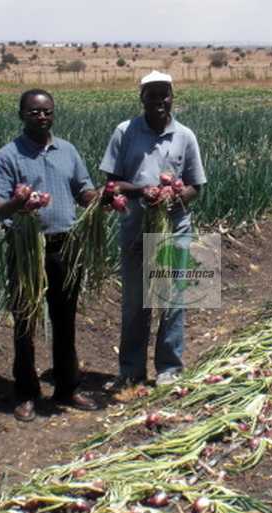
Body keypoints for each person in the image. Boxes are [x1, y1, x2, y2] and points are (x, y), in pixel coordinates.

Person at [0, 88, 99, 422]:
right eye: (34, 112)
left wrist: (101, 198)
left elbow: (83, 189)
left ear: (53, 113)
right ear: (21, 115)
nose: (41, 116)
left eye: (46, 111)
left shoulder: (67, 151)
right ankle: (26, 392)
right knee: (26, 318)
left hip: (65, 245)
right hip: (26, 247)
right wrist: (19, 203)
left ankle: (67, 388)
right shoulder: (9, 155)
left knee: (65, 319)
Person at [99, 70, 207, 391]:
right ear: (141, 98)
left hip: (175, 229)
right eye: (152, 95)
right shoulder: (125, 132)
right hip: (134, 227)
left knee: (173, 300)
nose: (159, 101)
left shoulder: (185, 136)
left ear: (173, 97)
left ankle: (169, 368)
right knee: (136, 301)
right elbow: (111, 182)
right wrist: (140, 191)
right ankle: (131, 371)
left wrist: (176, 196)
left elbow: (196, 186)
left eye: (165, 95)